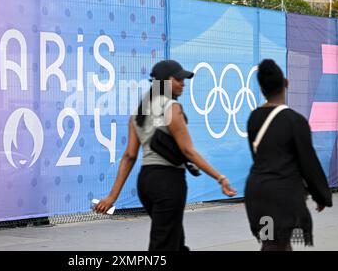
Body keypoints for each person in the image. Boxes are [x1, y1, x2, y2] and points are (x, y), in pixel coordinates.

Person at [94, 60, 237, 251]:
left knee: (174, 239)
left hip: (146, 182)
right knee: (164, 245)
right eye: (178, 79)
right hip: (168, 183)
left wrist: (112, 196)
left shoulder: (138, 112)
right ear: (165, 81)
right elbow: (188, 151)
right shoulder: (172, 108)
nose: (183, 83)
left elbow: (129, 156)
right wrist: (220, 177)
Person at [245, 59, 333, 251]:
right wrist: (321, 195)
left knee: (274, 242)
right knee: (276, 244)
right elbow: (308, 163)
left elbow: (257, 156)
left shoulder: (254, 117)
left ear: (261, 88)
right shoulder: (295, 121)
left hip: (257, 193)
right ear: (286, 83)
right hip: (281, 195)